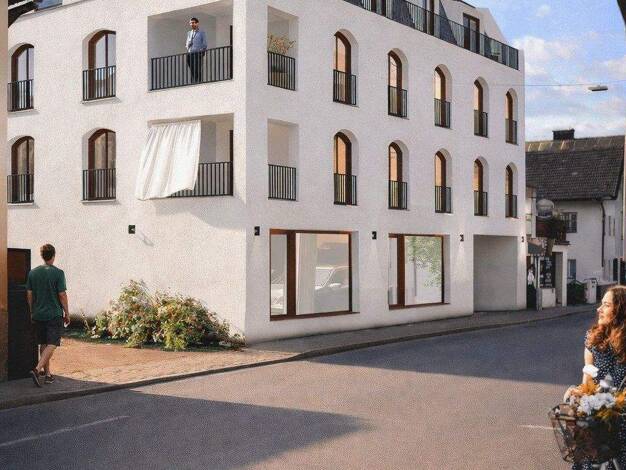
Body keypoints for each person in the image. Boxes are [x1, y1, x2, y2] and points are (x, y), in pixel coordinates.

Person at [565, 286, 626, 469]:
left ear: (620, 310)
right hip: (598, 418)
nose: (599, 309)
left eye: (606, 305)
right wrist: (578, 392)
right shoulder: (593, 338)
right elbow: (587, 380)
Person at [26, 244, 69, 387]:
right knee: (52, 344)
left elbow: (29, 294)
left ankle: (48, 375)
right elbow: (62, 295)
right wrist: (67, 312)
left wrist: (32, 311)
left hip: (38, 314)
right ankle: (37, 369)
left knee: (43, 344)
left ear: (42, 256)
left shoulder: (33, 273)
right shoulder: (58, 273)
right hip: (53, 314)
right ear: (53, 255)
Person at [186, 17, 208, 83]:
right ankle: (194, 82)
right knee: (192, 69)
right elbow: (187, 44)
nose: (191, 24)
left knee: (197, 69)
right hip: (190, 54)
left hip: (198, 54)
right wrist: (188, 45)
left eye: (193, 23)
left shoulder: (201, 33)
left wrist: (202, 52)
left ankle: (198, 82)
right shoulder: (189, 33)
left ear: (197, 23)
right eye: (190, 23)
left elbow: (204, 44)